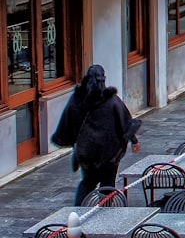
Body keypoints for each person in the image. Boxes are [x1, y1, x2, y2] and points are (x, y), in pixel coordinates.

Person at [51, 65, 141, 206]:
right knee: (108, 184)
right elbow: (125, 123)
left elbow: (67, 122)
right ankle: (105, 214)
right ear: (103, 79)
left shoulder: (76, 101)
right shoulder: (112, 101)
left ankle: (79, 213)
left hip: (87, 154)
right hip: (109, 154)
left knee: (87, 183)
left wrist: (71, 142)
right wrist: (134, 140)